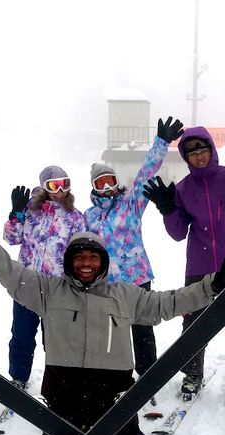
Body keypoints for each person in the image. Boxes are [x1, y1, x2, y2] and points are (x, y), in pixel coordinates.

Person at [0, 179, 225, 435]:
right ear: (69, 262)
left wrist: (210, 287)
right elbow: (3, 267)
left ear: (103, 262)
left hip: (113, 398)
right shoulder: (48, 291)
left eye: (93, 258)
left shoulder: (124, 295)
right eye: (79, 258)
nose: (86, 263)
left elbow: (169, 303)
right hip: (65, 397)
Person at [142, 127, 225, 405]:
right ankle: (192, 374)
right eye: (192, 153)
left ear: (211, 150)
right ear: (186, 157)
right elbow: (178, 233)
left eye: (203, 150)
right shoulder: (182, 189)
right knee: (193, 324)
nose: (199, 157)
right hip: (200, 267)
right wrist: (168, 209)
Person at [84, 116, 183, 382]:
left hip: (138, 278)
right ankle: (116, 374)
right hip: (107, 284)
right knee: (113, 330)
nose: (106, 187)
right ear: (93, 188)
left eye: (109, 181)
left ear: (116, 182)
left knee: (142, 329)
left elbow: (146, 174)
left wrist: (161, 143)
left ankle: (147, 374)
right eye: (100, 183)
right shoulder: (89, 217)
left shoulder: (131, 204)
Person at [3, 167, 85, 390]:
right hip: (26, 285)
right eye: (53, 185)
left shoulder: (75, 217)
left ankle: (58, 377)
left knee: (56, 338)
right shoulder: (31, 212)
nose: (59, 191)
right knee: (21, 335)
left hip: (58, 288)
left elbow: (80, 253)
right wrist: (16, 214)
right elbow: (11, 238)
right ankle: (18, 377)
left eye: (64, 184)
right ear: (44, 187)